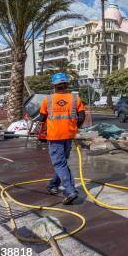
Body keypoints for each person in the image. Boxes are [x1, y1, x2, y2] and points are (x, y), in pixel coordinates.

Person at [38, 73, 86, 205]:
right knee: (62, 162)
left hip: (54, 137)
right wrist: (75, 128)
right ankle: (53, 184)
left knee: (59, 163)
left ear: (54, 85)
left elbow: (41, 118)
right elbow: (81, 117)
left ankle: (71, 191)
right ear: (66, 85)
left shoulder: (48, 100)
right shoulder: (75, 98)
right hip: (69, 136)